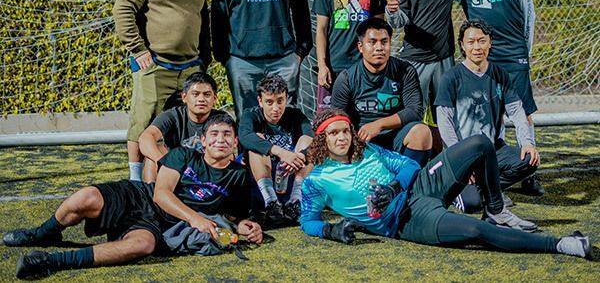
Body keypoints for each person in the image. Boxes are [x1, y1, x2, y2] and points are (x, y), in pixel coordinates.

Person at [299, 109, 592, 260]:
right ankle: (560, 245)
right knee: (475, 231)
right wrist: (330, 230)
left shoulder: (368, 149)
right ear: (322, 140)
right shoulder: (317, 181)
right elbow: (307, 222)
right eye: (334, 133)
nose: (342, 138)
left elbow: (410, 164)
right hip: (406, 222)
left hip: (419, 189)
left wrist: (395, 188)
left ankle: (494, 208)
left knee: (479, 143)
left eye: (345, 131)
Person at [3, 114, 263, 280]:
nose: (221, 139)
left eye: (227, 134)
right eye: (214, 134)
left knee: (143, 246)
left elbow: (233, 215)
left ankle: (51, 261)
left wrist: (246, 227)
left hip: (162, 224)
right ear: (203, 141)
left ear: (236, 142)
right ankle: (44, 232)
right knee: (86, 197)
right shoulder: (184, 155)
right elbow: (161, 194)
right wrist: (195, 218)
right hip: (140, 197)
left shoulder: (239, 176)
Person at [386, 0, 529, 155]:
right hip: (414, 59)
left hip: (444, 58)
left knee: (450, 115)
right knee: (412, 115)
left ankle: (453, 166)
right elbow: (401, 20)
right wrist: (392, 13)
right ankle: (410, 166)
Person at [113, 0, 211, 181]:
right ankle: (135, 182)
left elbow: (203, 23)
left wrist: (203, 59)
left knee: (186, 127)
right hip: (155, 66)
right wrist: (138, 49)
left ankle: (179, 177)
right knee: (142, 125)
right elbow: (122, 10)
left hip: (189, 68)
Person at [455, 0, 543, 196]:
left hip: (514, 51)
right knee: (490, 110)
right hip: (483, 54)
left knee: (524, 110)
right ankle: (493, 170)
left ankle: (531, 171)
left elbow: (528, 10)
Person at [435, 19, 540, 216]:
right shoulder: (451, 77)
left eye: (482, 41)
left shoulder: (500, 75)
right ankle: (468, 188)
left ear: (490, 43)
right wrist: (462, 161)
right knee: (472, 205)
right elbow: (444, 122)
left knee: (529, 160)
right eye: (471, 42)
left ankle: (488, 187)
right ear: (462, 45)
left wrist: (527, 142)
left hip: (492, 151)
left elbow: (517, 112)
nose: (477, 47)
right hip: (462, 153)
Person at [330, 18, 432, 167]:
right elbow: (337, 119)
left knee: (422, 132)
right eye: (372, 42)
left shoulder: (405, 71)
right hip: (362, 140)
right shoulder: (346, 78)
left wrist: (378, 125)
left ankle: (406, 185)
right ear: (360, 46)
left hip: (396, 136)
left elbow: (415, 111)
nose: (379, 48)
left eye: (384, 42)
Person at [313, 0, 387, 112]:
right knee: (330, 118)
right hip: (335, 65)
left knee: (364, 116)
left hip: (364, 65)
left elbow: (379, 31)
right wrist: (323, 65)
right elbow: (321, 30)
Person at [239, 75, 313, 226]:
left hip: (292, 174)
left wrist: (299, 156)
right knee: (256, 141)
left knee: (307, 141)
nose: (275, 108)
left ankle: (295, 201)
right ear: (260, 101)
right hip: (262, 174)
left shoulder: (295, 115)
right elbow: (244, 136)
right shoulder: (251, 115)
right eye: (269, 102)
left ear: (286, 98)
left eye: (280, 101)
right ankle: (271, 203)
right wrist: (280, 152)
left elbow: (314, 140)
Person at [138, 72, 226, 182]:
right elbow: (145, 138)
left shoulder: (222, 120)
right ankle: (151, 196)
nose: (201, 99)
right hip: (174, 171)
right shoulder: (172, 115)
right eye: (195, 94)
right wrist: (164, 163)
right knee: (153, 155)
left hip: (208, 172)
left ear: (215, 98)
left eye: (207, 95)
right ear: (184, 97)